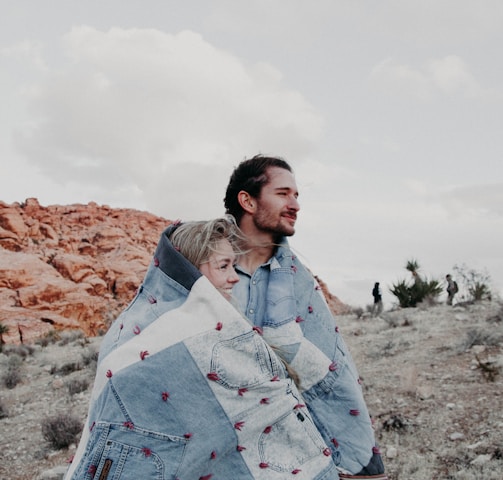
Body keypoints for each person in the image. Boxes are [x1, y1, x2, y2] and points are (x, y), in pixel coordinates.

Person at [64, 216, 338, 480]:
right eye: (223, 266)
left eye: (234, 266)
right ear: (192, 273)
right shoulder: (139, 341)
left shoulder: (225, 330)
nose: (234, 278)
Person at [224, 154, 387, 479]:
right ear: (248, 201)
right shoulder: (204, 268)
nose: (295, 204)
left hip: (288, 441)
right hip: (223, 437)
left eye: (297, 195)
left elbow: (331, 365)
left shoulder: (297, 281)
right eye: (283, 194)